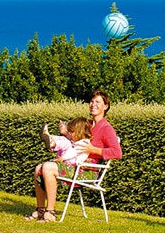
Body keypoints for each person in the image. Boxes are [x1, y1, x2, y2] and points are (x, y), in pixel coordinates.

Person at [27, 90, 122, 222]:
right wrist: (66, 133)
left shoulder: (107, 128)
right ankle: (40, 209)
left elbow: (117, 153)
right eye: (92, 101)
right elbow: (75, 142)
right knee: (39, 168)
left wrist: (93, 149)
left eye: (98, 102)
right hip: (74, 163)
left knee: (47, 167)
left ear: (105, 106)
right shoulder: (87, 124)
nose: (93, 104)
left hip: (87, 170)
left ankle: (50, 212)